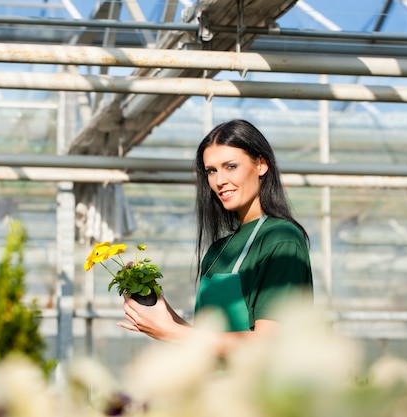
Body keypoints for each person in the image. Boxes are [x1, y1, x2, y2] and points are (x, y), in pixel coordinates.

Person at [118, 119, 313, 354]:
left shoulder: (281, 239)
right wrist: (161, 310)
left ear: (261, 165)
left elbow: (268, 346)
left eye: (230, 166)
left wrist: (173, 332)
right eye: (211, 171)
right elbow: (209, 341)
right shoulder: (218, 251)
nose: (219, 181)